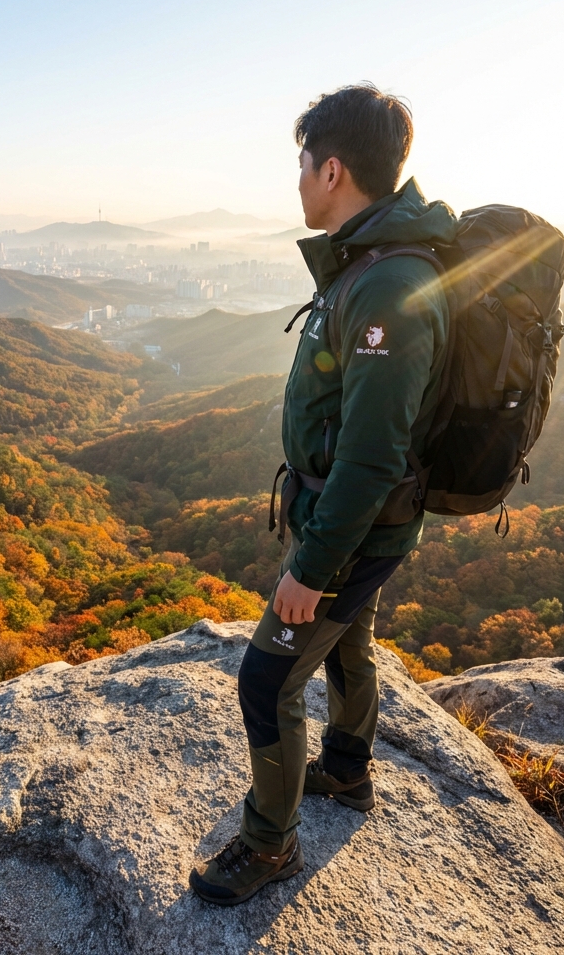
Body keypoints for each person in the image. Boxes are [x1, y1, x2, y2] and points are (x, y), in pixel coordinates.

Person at [190, 83, 456, 906]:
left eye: (303, 164)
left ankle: (270, 845)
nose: (299, 180)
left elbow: (372, 459)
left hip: (357, 526)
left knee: (265, 681)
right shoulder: (371, 264)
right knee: (348, 644)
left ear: (332, 170)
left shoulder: (385, 287)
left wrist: (309, 569)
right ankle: (345, 769)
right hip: (363, 522)